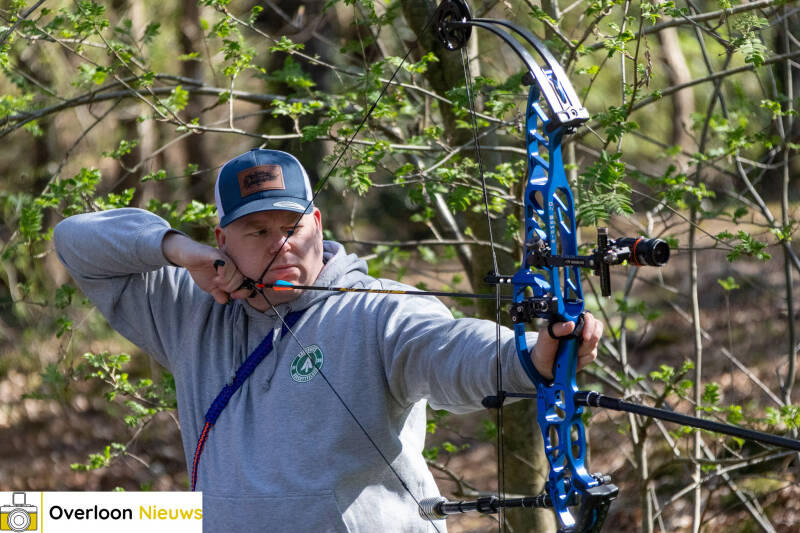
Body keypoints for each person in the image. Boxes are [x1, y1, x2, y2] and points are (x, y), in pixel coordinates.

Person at [54, 148, 603, 532]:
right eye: (258, 232)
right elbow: (75, 240)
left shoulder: (375, 309)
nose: (281, 245)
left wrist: (531, 356)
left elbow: (448, 346)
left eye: (292, 227)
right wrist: (179, 250)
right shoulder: (192, 312)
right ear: (223, 240)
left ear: (317, 221)